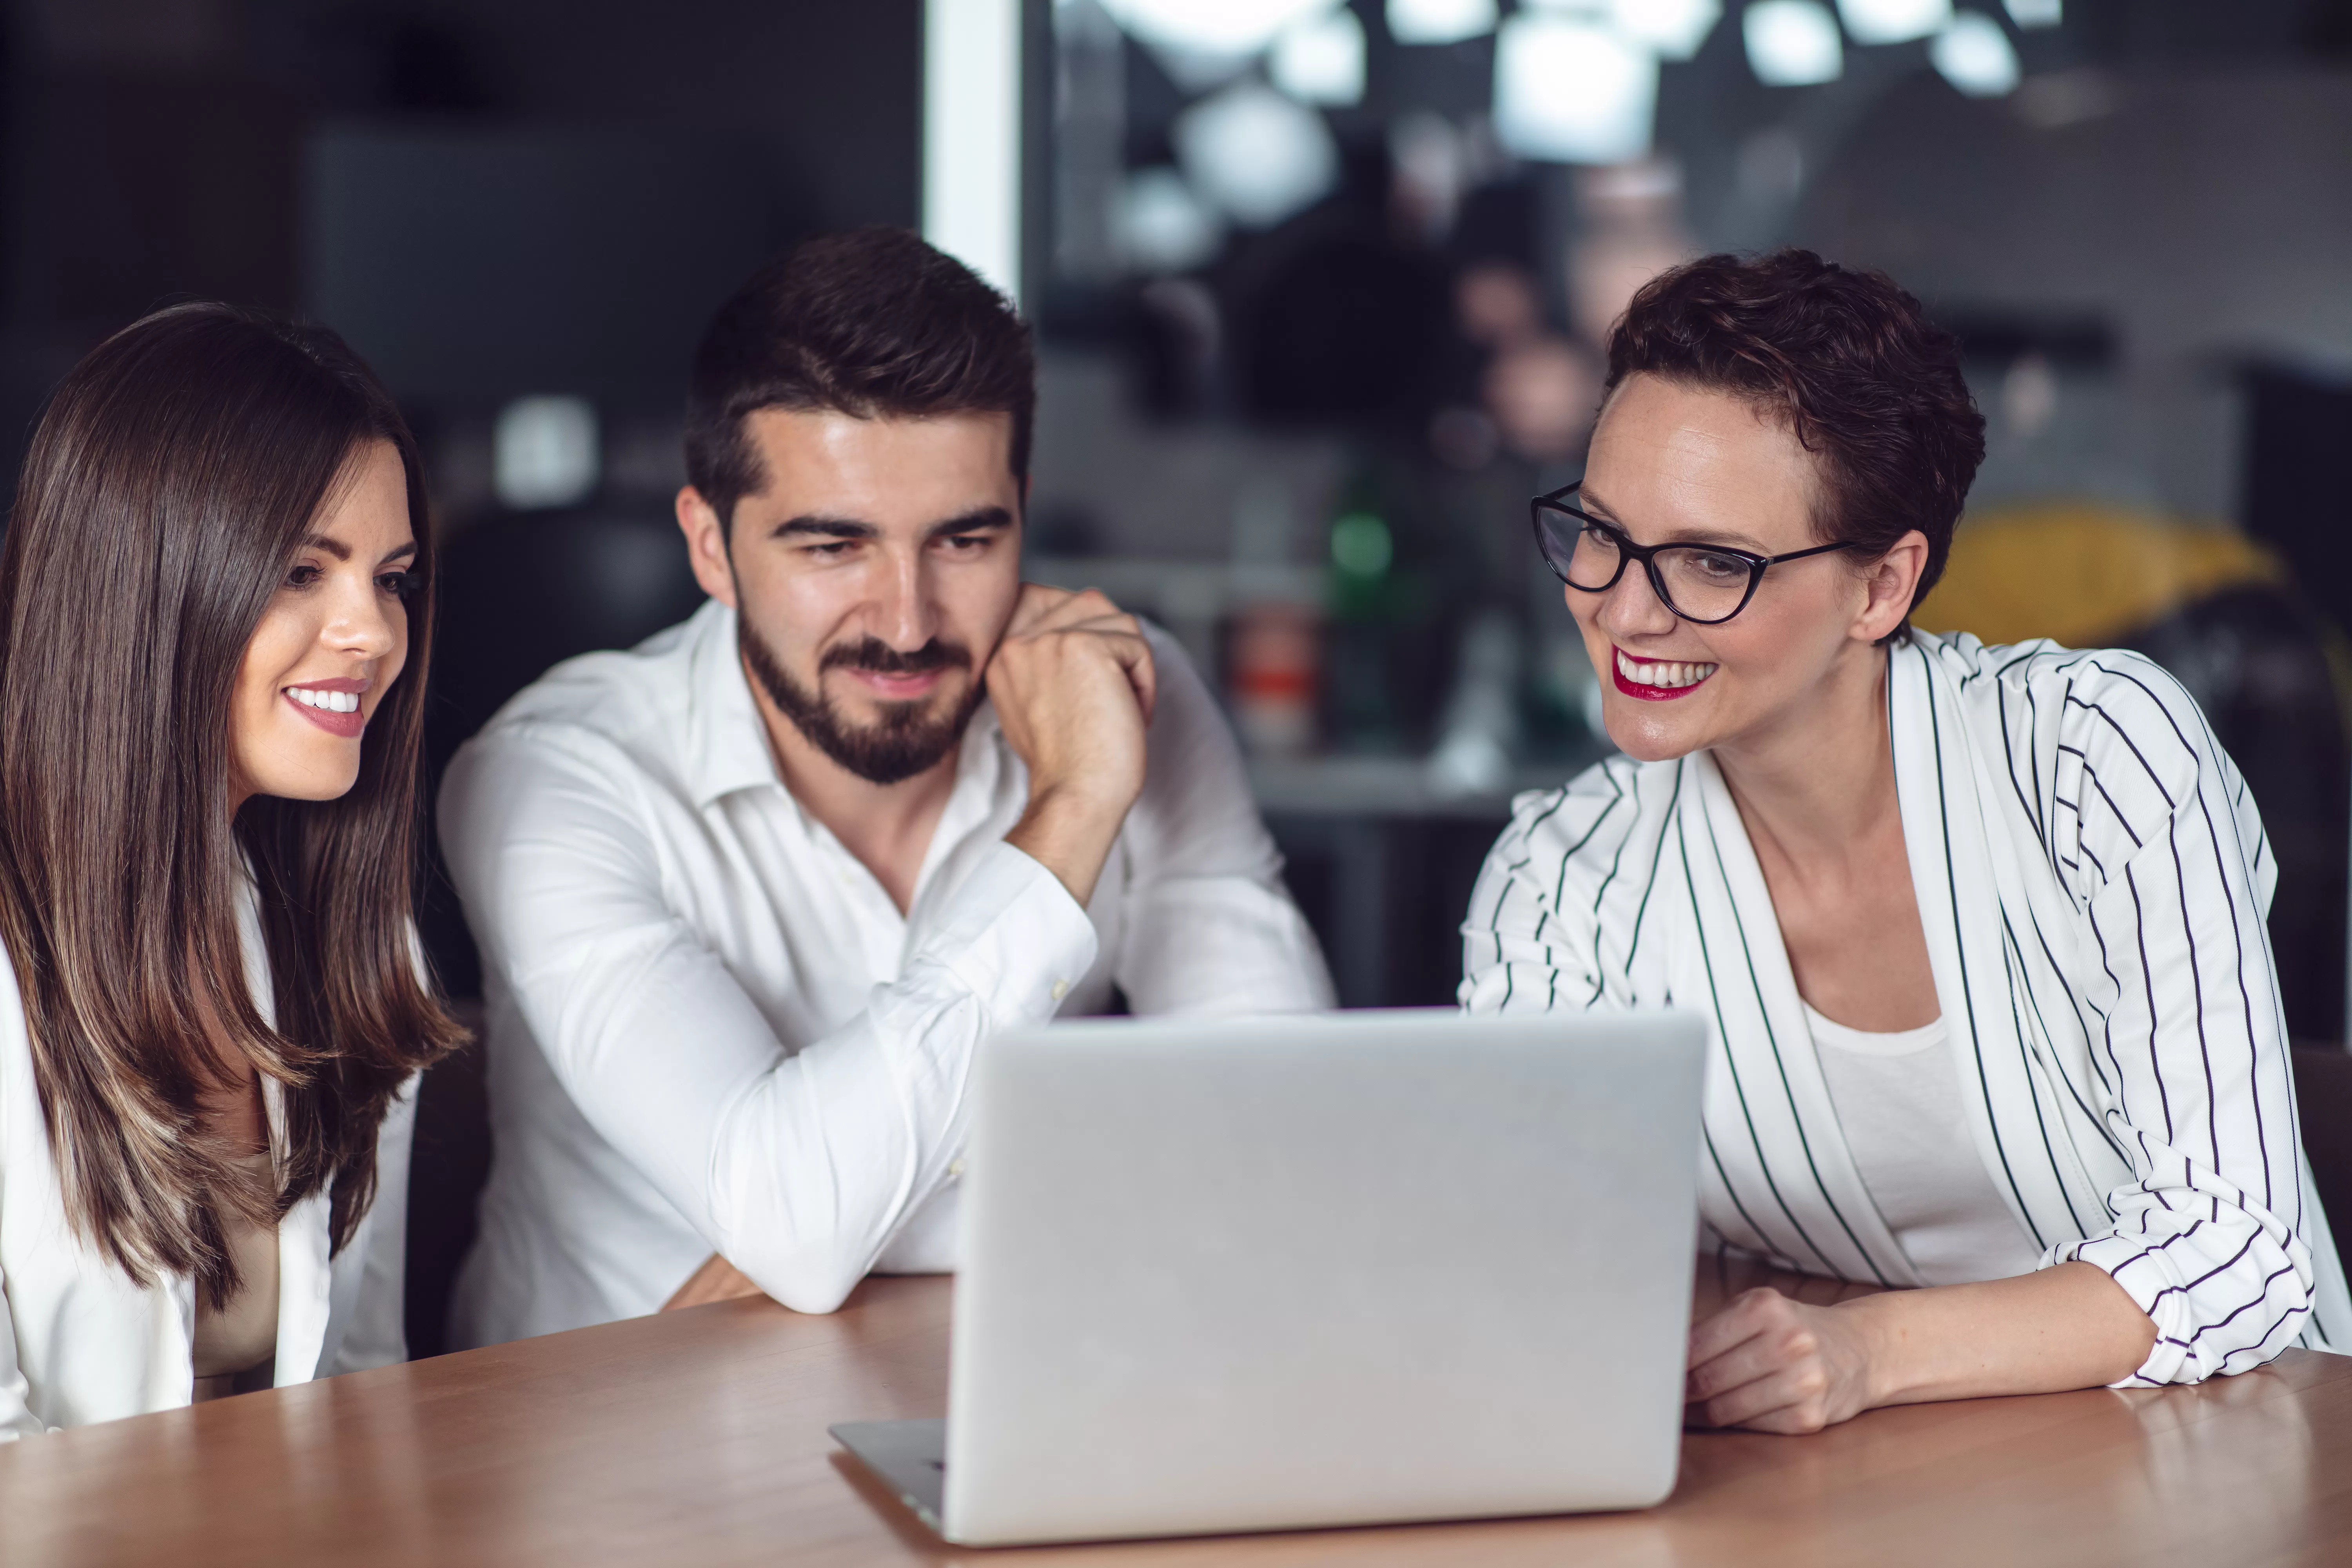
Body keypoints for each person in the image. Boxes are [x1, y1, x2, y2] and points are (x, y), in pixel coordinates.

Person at [1462, 250, 2348, 1434]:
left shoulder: (2091, 761)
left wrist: (1866, 1349)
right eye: (1601, 532)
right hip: (1864, 1497)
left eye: (1713, 562)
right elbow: (1535, 1265)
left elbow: (2240, 1250)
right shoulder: (1559, 882)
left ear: (1882, 589)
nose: (1623, 609)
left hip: (2230, 1463)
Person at [443, 228, 1332, 1347]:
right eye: (833, 548)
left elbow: (1292, 1136)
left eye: (964, 541)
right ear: (711, 548)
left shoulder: (1122, 692)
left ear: (1022, 514)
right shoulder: (554, 777)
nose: (906, 621)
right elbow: (802, 1233)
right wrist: (1072, 812)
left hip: (1016, 1403)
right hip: (623, 1458)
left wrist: (823, 1204)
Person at [0, 304, 464, 1435]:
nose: (372, 633)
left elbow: (363, 1389)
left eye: (391, 578)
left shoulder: (352, 939)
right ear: (144, 587)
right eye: (303, 570)